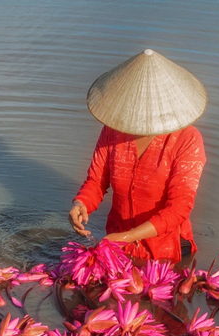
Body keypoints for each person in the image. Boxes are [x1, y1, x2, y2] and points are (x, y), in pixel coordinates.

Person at [69, 49, 207, 263]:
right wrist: (81, 204)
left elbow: (179, 208)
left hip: (164, 249)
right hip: (116, 243)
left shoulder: (187, 139)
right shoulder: (113, 130)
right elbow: (97, 181)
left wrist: (127, 237)